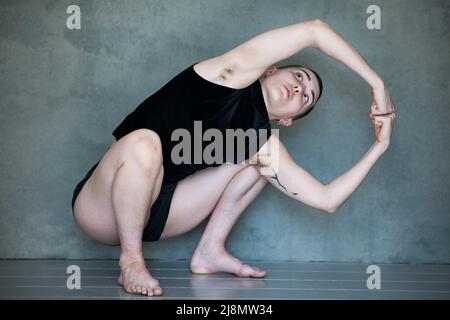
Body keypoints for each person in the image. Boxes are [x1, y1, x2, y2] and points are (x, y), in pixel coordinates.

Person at [71, 19, 396, 296]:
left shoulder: (261, 142)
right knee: (145, 143)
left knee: (260, 165)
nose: (299, 90)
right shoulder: (225, 73)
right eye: (299, 77)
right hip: (103, 207)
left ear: (288, 119)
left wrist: (379, 148)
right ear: (270, 69)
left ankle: (209, 252)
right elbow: (314, 30)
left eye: (306, 97)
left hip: (160, 215)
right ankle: (131, 262)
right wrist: (377, 83)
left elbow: (326, 199)